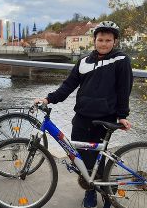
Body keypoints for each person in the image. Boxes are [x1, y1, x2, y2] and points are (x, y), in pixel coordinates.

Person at [35, 21, 133, 208]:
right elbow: (68, 85)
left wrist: (122, 115)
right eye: (100, 39)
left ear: (115, 41)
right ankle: (90, 190)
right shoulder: (84, 62)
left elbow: (124, 89)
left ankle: (104, 193)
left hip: (104, 118)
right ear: (94, 40)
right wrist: (48, 99)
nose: (103, 43)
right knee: (79, 157)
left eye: (108, 40)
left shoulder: (121, 60)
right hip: (81, 117)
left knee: (98, 159)